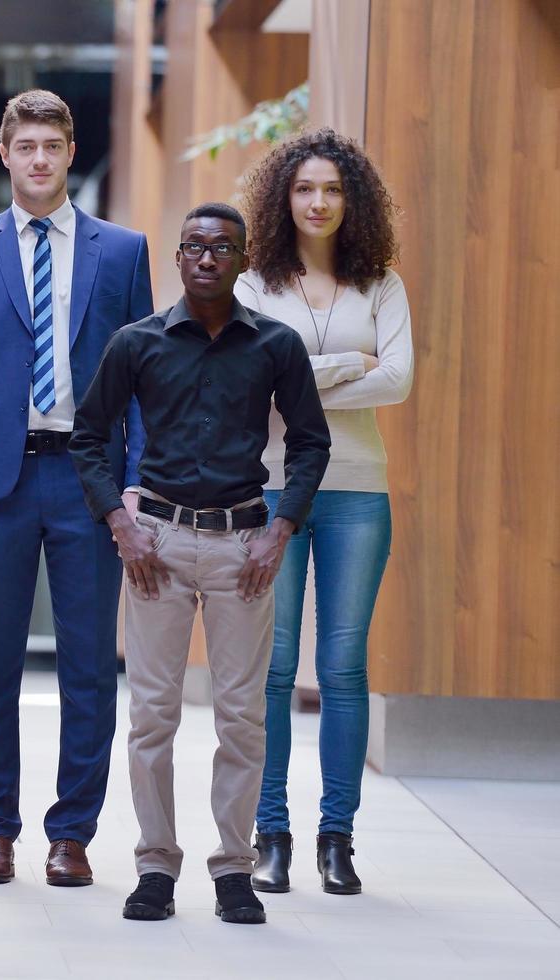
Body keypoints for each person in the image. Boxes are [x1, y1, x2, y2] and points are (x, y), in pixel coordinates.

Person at [69, 203, 331, 926]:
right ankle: (155, 866)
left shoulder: (274, 346)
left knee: (241, 718)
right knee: (151, 716)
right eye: (193, 247)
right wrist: (119, 524)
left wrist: (281, 530)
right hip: (154, 543)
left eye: (221, 248)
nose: (207, 258)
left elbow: (310, 444)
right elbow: (88, 438)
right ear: (178, 259)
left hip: (241, 547)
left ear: (243, 259)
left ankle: (232, 870)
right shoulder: (137, 342)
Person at [0, 88, 152, 888]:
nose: (38, 159)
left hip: (88, 483)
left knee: (90, 667)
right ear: (5, 153)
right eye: (24, 146)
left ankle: (72, 835)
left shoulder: (122, 251)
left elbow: (142, 380)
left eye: (51, 146)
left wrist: (132, 487)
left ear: (68, 151)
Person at [234, 129, 414, 896]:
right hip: (271, 489)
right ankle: (267, 833)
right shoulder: (251, 286)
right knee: (270, 670)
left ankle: (334, 838)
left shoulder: (381, 285)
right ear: (284, 198)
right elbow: (249, 383)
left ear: (352, 201)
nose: (317, 202)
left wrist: (299, 377)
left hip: (356, 489)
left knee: (342, 669)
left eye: (331, 190)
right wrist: (352, 365)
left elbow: (399, 380)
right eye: (304, 189)